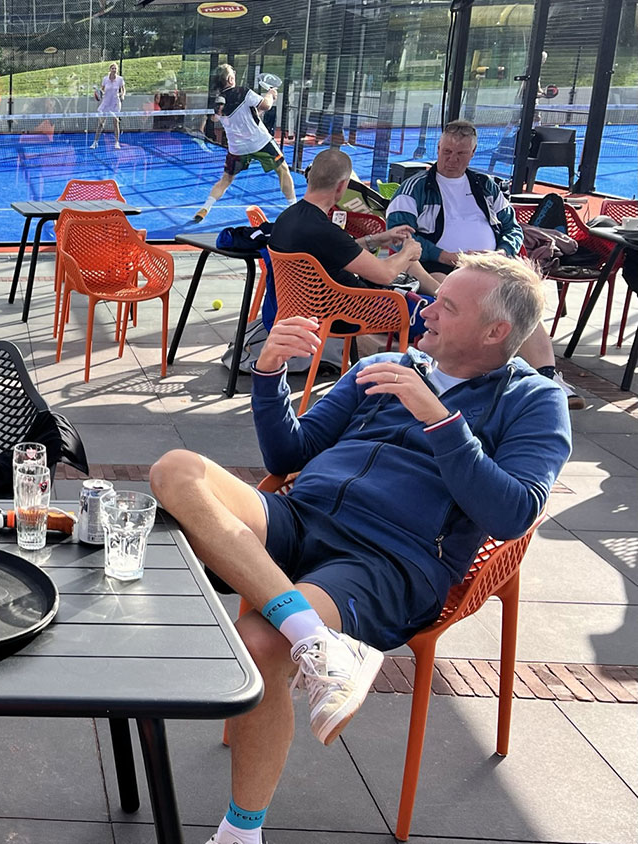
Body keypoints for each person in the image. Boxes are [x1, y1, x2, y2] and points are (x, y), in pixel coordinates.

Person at [149, 250, 571, 844]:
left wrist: (439, 419)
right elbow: (290, 454)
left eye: (448, 306)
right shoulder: (387, 364)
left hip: (387, 560)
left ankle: (240, 834)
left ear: (494, 332)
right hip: (301, 517)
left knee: (259, 641)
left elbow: (515, 511)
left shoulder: (533, 401)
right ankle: (316, 639)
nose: (426, 310)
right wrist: (269, 377)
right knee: (176, 469)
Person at [386, 119, 585, 410]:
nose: (452, 159)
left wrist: (500, 254)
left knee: (521, 304)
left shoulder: (485, 186)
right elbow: (399, 236)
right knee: (464, 301)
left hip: (490, 265)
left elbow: (513, 228)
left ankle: (546, 377)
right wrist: (445, 255)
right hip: (439, 265)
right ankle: (482, 378)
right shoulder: (414, 188)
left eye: (460, 154)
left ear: (472, 153)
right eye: (447, 152)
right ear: (438, 149)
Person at [271, 149, 440, 298]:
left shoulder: (287, 218)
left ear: (310, 178)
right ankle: (445, 300)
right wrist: (409, 250)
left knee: (430, 274)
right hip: (354, 310)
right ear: (341, 186)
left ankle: (442, 295)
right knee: (411, 265)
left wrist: (378, 239)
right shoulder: (325, 232)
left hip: (307, 303)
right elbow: (385, 274)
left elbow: (339, 250)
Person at [193, 64, 295, 223]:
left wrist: (260, 107)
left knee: (226, 180)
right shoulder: (243, 92)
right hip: (260, 142)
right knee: (283, 170)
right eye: (233, 73)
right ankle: (293, 207)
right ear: (230, 79)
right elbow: (266, 105)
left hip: (237, 149)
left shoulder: (218, 103)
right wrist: (270, 94)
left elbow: (245, 115)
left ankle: (205, 208)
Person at [91, 62, 126, 150]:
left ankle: (117, 142)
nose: (114, 70)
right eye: (112, 68)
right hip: (106, 103)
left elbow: (123, 90)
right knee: (101, 123)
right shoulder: (105, 79)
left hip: (115, 103)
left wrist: (122, 95)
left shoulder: (120, 79)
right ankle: (95, 142)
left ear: (117, 70)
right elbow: (102, 90)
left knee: (116, 122)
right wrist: (99, 94)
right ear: (110, 69)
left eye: (115, 68)